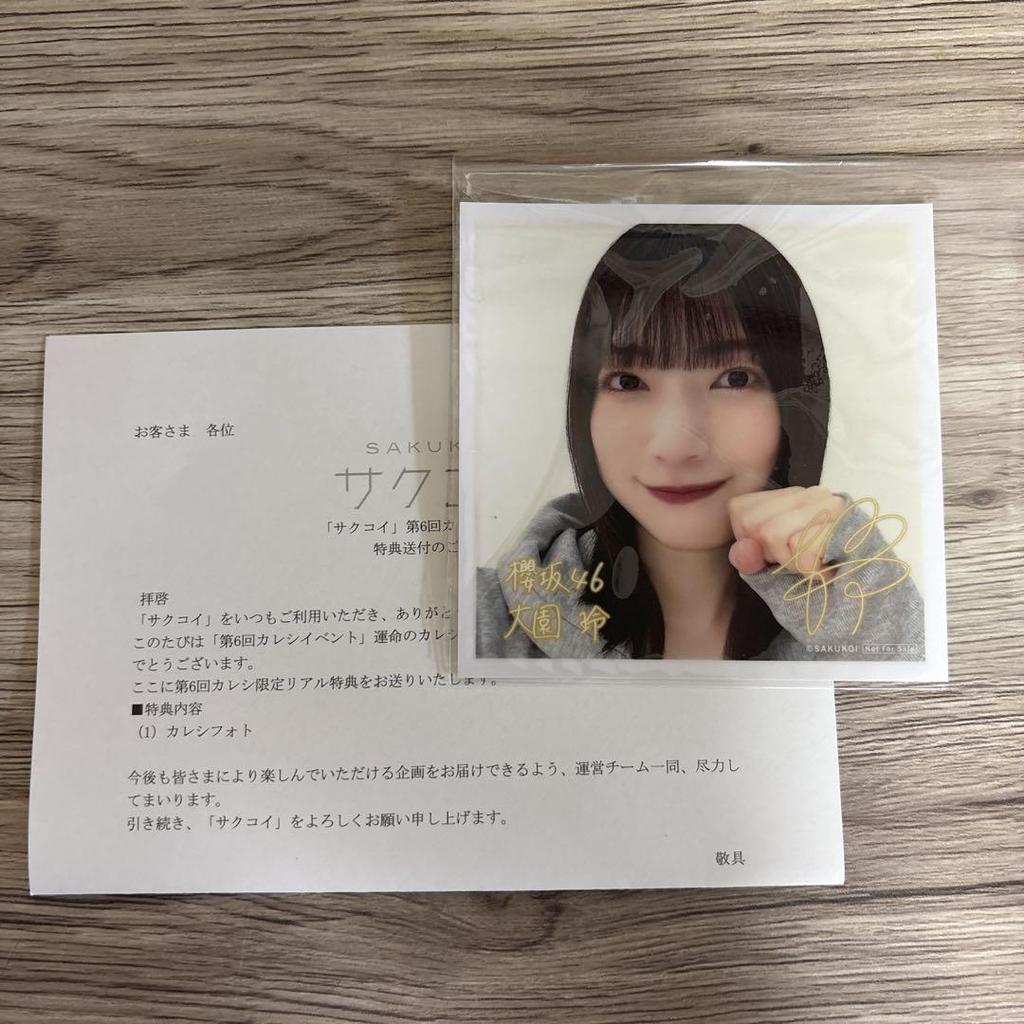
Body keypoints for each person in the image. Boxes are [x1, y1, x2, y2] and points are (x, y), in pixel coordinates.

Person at [475, 223, 924, 661]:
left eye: (735, 379)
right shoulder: (480, 624)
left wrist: (868, 609)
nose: (675, 447)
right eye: (628, 382)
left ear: (796, 405)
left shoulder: (866, 612)